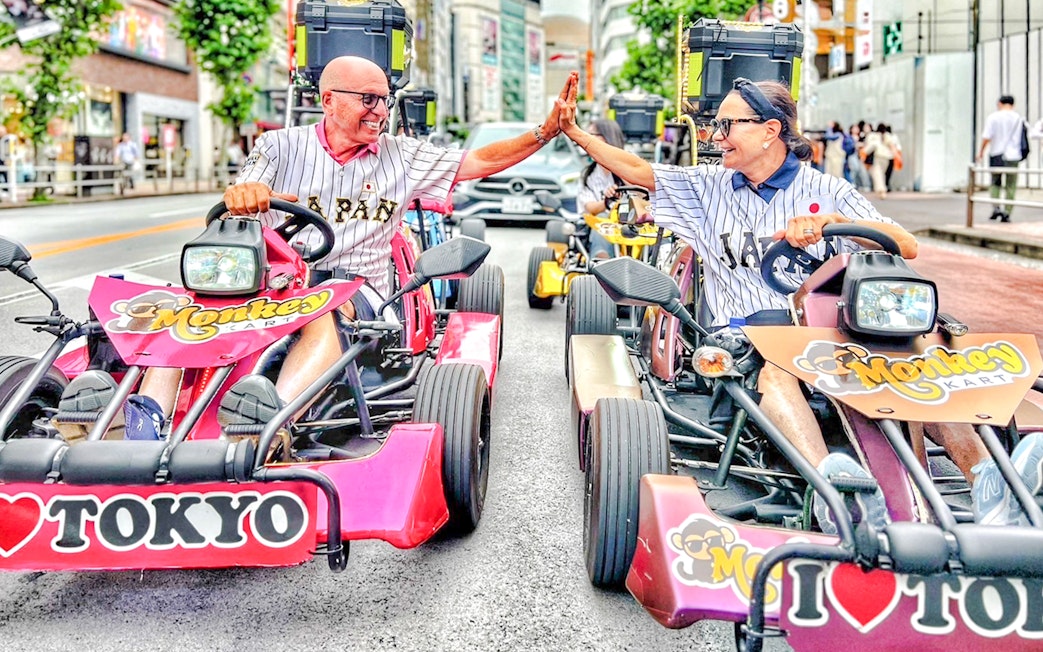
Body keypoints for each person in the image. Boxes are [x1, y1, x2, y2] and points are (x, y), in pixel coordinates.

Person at [554, 74, 1043, 533]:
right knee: (776, 371)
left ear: (770, 131)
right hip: (750, 335)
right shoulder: (707, 187)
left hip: (836, 335)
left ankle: (989, 485)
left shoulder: (826, 188)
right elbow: (637, 169)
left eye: (727, 125)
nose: (716, 135)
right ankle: (837, 492)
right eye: (714, 125)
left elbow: (905, 244)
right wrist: (576, 131)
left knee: (919, 366)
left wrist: (828, 222)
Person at [60, 56, 578, 441]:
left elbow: (480, 161)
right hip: (268, 282)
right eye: (368, 99)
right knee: (191, 307)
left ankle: (269, 421)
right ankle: (142, 420)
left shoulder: (403, 156)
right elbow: (247, 186)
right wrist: (244, 195)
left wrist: (545, 131)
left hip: (354, 288)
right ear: (329, 100)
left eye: (385, 100)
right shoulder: (279, 146)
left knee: (321, 310)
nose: (380, 110)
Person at [576, 118, 627, 260]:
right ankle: (601, 262)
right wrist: (607, 201)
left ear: (607, 137)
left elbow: (645, 196)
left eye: (592, 135)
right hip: (604, 224)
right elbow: (590, 208)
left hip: (631, 224)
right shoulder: (589, 175)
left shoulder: (631, 164)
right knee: (602, 219)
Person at [977, 95, 1025, 222]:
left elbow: (987, 136)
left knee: (995, 183)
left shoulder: (993, 117)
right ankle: (1007, 212)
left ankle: (996, 207)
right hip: (1013, 155)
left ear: (999, 103)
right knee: (1011, 185)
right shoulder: (1019, 118)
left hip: (996, 153)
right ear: (1013, 104)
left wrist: (981, 152)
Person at [863, 122, 895, 199]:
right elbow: (892, 146)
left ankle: (881, 190)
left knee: (877, 174)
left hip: (877, 157)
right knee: (882, 174)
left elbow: (870, 146)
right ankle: (882, 189)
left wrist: (864, 152)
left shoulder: (873, 136)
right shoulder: (888, 136)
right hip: (887, 158)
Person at [844, 124, 871, 192]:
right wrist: (855, 145)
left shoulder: (861, 136)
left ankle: (864, 185)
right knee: (854, 169)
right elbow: (847, 147)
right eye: (854, 128)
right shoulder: (849, 137)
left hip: (860, 156)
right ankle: (852, 184)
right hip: (852, 155)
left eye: (857, 128)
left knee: (862, 171)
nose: (856, 129)